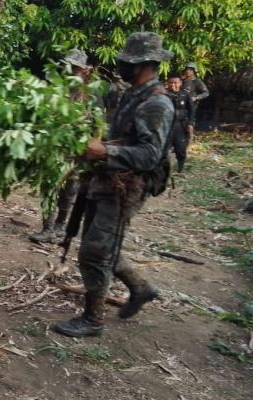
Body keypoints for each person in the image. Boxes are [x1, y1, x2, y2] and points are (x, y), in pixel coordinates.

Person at [53, 32, 174, 337]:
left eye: (127, 63)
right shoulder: (130, 94)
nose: (121, 66)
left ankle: (93, 319)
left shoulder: (157, 103)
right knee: (102, 242)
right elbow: (121, 135)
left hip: (126, 186)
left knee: (95, 250)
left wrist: (106, 150)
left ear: (147, 64)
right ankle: (141, 287)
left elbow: (149, 155)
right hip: (105, 178)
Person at [30, 49, 95, 244]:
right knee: (49, 186)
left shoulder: (90, 94)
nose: (71, 70)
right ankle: (47, 228)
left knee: (71, 189)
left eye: (75, 67)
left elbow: (98, 122)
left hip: (78, 149)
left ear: (84, 70)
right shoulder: (54, 87)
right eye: (68, 66)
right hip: (53, 146)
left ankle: (60, 226)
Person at [165, 76, 196, 173]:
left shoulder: (185, 94)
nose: (173, 85)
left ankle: (180, 169)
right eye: (171, 83)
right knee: (165, 148)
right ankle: (164, 170)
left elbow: (191, 110)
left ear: (180, 83)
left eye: (175, 83)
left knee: (181, 148)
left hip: (181, 125)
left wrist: (190, 124)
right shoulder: (164, 95)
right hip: (167, 125)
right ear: (168, 84)